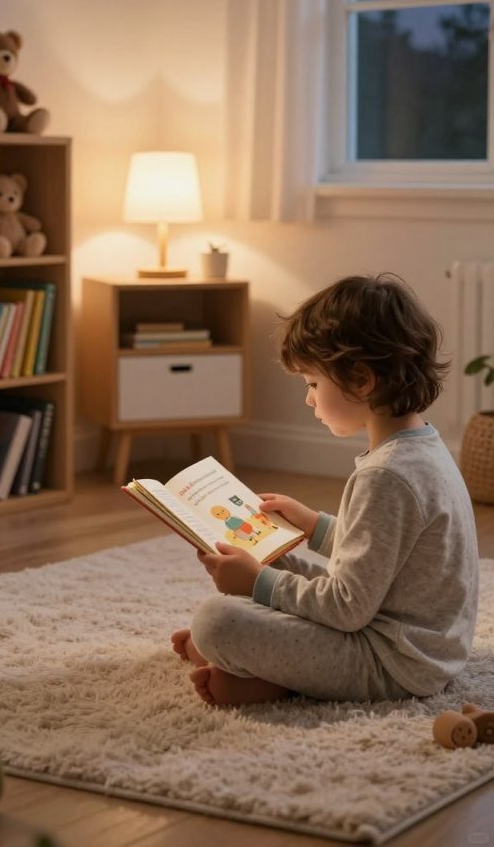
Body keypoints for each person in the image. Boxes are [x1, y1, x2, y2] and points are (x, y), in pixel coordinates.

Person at [171, 274, 479, 706]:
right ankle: (258, 662)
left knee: (217, 620)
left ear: (361, 380)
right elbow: (384, 556)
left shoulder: (387, 476)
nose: (309, 400)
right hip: (417, 644)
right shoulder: (423, 446)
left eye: (313, 384)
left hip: (393, 663)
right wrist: (315, 526)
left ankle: (268, 674)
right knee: (279, 562)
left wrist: (256, 583)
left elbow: (345, 607)